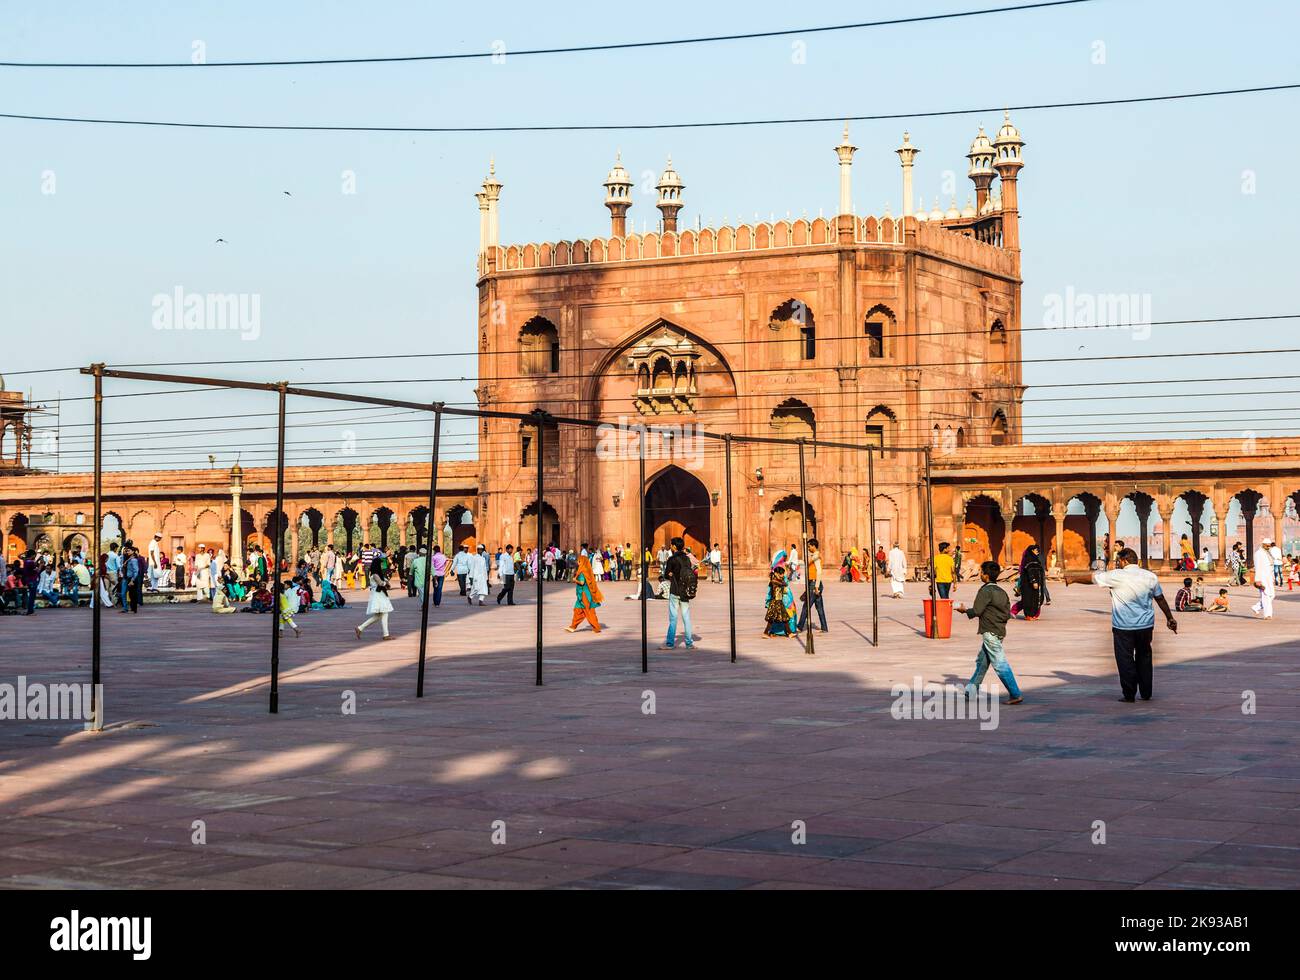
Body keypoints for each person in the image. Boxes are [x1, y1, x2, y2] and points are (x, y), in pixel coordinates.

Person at [1065, 547, 1177, 702]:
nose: (1117, 564)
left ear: (1124, 561)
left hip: (1123, 627)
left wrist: (1072, 579)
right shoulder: (1150, 576)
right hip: (1145, 626)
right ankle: (1146, 692)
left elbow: (1092, 578)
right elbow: (1160, 599)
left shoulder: (1117, 575)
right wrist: (1170, 618)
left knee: (1125, 659)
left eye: (1118, 561)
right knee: (1144, 657)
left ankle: (1129, 694)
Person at [955, 560, 1023, 705]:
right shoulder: (1002, 592)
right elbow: (1007, 614)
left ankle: (1015, 693)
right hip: (999, 631)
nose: (980, 574)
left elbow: (977, 611)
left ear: (986, 575)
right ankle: (971, 690)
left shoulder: (985, 590)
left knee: (999, 663)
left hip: (989, 632)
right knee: (983, 662)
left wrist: (964, 610)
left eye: (981, 572)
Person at [661, 537, 696, 650]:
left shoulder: (672, 559)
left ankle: (670, 644)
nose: (670, 547)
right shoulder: (687, 559)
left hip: (675, 591)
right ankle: (689, 643)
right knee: (686, 618)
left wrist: (671, 574)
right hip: (685, 592)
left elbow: (666, 575)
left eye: (671, 545)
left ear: (675, 546)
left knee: (673, 618)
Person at [355, 556, 394, 640]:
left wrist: (386, 581)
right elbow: (380, 583)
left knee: (380, 615)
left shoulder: (376, 574)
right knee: (383, 614)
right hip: (378, 595)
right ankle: (385, 634)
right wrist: (386, 583)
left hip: (379, 594)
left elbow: (383, 581)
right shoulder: (375, 574)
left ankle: (360, 628)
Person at [563, 553, 603, 633]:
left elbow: (581, 582)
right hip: (581, 594)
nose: (578, 563)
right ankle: (572, 627)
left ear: (582, 562)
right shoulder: (586, 570)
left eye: (579, 561)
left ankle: (596, 627)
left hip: (584, 595)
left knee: (589, 611)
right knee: (578, 610)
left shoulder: (582, 572)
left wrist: (575, 580)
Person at [797, 537, 827, 633]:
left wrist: (817, 587)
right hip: (814, 583)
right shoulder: (814, 556)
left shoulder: (816, 556)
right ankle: (824, 627)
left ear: (814, 546)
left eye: (809, 546)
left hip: (814, 584)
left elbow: (819, 571)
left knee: (806, 606)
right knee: (819, 607)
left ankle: (799, 627)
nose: (808, 548)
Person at [763, 563, 798, 638]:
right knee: (772, 619)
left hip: (779, 602)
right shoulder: (773, 581)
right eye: (781, 574)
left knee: (784, 618)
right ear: (776, 573)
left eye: (782, 574)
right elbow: (784, 584)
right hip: (775, 603)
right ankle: (766, 633)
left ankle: (789, 633)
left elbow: (785, 583)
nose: (782, 575)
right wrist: (781, 579)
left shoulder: (777, 580)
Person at [1011, 545, 1045, 620]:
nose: (1037, 551)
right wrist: (1033, 581)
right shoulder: (1029, 559)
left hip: (1036, 584)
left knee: (1035, 599)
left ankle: (1033, 615)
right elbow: (1030, 571)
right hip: (1028, 584)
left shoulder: (1036, 559)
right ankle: (1028, 615)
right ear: (1031, 551)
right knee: (1028, 600)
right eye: (1035, 550)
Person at [1252, 537, 1276, 619]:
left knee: (1272, 595)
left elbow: (1271, 567)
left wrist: (1273, 578)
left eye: (1269, 546)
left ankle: (1256, 607)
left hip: (1269, 577)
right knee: (1266, 595)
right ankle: (1267, 614)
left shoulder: (1268, 553)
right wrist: (1257, 580)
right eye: (1267, 546)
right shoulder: (1258, 554)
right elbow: (1257, 567)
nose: (1268, 547)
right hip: (1262, 577)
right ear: (1263, 545)